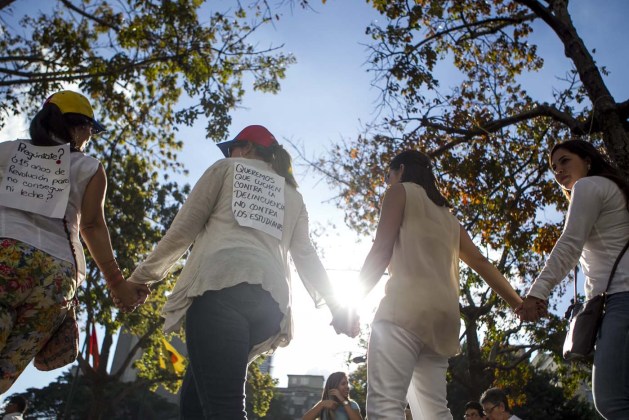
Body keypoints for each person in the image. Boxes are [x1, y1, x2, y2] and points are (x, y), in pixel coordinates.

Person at [128, 125, 357, 419]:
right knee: (195, 403)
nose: (231, 154)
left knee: (224, 409)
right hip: (269, 306)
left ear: (247, 148)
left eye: (233, 148)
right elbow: (306, 256)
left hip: (220, 291)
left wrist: (140, 277)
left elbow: (183, 230)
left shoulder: (226, 169)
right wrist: (337, 307)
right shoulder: (293, 196)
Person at [0, 90, 148, 393]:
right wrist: (117, 283)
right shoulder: (90, 167)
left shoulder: (7, 151)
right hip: (56, 278)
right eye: (91, 130)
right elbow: (92, 225)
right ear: (80, 128)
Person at [356, 150, 523, 419]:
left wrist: (351, 303)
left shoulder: (400, 192)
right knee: (433, 412)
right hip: (443, 322)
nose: (388, 182)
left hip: (403, 311)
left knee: (385, 407)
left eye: (389, 175)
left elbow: (381, 249)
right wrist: (518, 303)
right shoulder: (449, 218)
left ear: (400, 169)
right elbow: (481, 261)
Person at [518, 139, 629, 419]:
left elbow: (569, 244)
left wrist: (537, 293)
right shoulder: (613, 190)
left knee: (612, 401)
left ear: (588, 160)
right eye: (553, 168)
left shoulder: (588, 186)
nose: (558, 171)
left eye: (565, 161)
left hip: (622, 299)